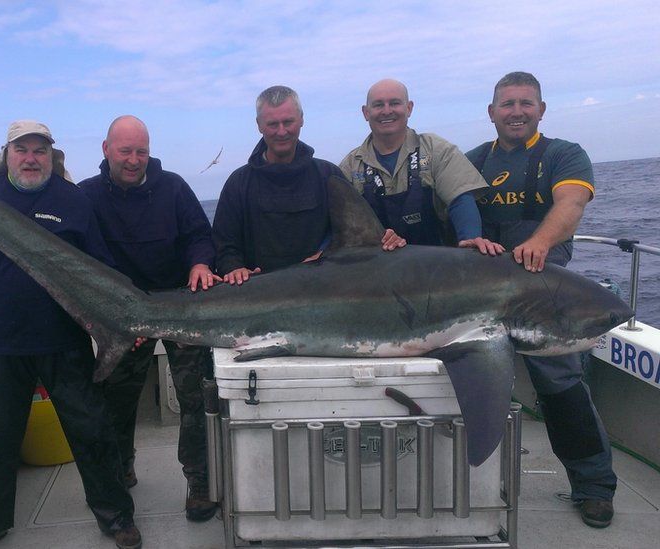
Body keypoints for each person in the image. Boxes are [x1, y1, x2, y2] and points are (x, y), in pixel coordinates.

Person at [0, 120, 142, 549]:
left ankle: (116, 517)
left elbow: (100, 266)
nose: (31, 158)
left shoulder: (74, 201)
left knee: (92, 432)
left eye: (39, 151)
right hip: (4, 343)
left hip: (64, 340)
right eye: (22, 150)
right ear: (7, 154)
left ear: (52, 156)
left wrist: (123, 319)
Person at [467, 71, 616, 528]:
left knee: (562, 388)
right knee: (470, 387)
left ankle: (593, 486)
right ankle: (465, 483)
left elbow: (570, 205)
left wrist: (539, 243)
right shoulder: (473, 162)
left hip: (541, 297)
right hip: (479, 300)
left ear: (541, 109)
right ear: (491, 113)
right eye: (507, 104)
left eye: (525, 103)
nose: (516, 112)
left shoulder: (563, 154)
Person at [77, 115, 220, 522]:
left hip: (180, 309)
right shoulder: (85, 196)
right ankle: (121, 468)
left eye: (141, 151)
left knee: (195, 400)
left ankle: (200, 483)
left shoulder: (173, 187)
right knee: (117, 403)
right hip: (123, 317)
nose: (134, 160)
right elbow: (70, 253)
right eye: (125, 151)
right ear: (106, 150)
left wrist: (199, 263)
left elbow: (199, 235)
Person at [213, 85, 404, 285]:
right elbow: (225, 246)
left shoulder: (329, 176)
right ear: (259, 125)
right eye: (272, 124)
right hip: (259, 293)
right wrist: (233, 268)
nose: (281, 131)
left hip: (323, 288)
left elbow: (352, 239)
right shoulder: (238, 183)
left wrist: (329, 254)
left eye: (288, 122)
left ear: (301, 119)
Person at [340, 78, 503, 255]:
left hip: (434, 265)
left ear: (409, 108)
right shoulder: (350, 166)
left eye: (394, 103)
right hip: (373, 266)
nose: (387, 111)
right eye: (379, 105)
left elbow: (460, 199)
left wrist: (470, 238)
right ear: (366, 112)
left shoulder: (436, 150)